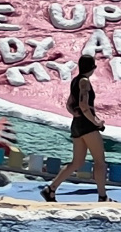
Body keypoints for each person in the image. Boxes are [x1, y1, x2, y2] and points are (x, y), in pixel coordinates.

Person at [41, 54, 108, 202]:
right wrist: (96, 121)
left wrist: (74, 113)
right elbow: (84, 106)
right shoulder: (84, 81)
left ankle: (51, 189)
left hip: (77, 124)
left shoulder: (75, 81)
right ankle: (103, 197)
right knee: (100, 162)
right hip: (87, 125)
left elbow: (69, 104)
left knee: (77, 162)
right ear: (93, 68)